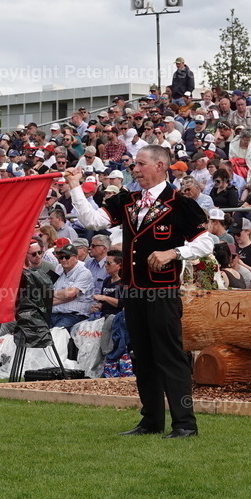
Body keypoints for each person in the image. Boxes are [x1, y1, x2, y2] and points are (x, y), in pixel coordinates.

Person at [67, 144, 214, 438]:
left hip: (162, 293)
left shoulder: (179, 202)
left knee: (169, 356)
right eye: (135, 164)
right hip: (133, 292)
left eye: (141, 164)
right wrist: (74, 188)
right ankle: (151, 420)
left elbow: (206, 243)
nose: (135, 169)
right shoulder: (129, 200)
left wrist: (173, 252)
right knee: (143, 357)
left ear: (160, 166)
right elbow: (93, 221)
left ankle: (185, 423)